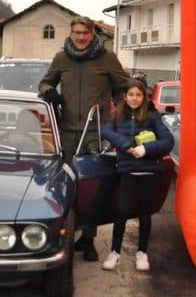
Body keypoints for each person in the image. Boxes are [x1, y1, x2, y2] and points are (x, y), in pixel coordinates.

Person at [38, 16, 130, 261]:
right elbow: (46, 81)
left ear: (92, 34)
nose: (80, 37)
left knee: (92, 185)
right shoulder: (61, 58)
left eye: (85, 33)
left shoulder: (107, 58)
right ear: (70, 33)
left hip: (95, 130)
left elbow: (123, 86)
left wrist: (123, 113)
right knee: (67, 184)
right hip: (66, 131)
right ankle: (66, 234)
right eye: (76, 32)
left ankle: (88, 239)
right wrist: (49, 92)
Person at [100, 79, 174, 272]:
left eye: (138, 95)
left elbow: (168, 140)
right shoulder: (117, 116)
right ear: (125, 96)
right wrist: (125, 144)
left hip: (148, 171)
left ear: (145, 97)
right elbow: (106, 131)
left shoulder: (152, 117)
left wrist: (145, 149)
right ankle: (115, 252)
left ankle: (142, 252)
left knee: (144, 213)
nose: (134, 98)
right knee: (121, 211)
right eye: (131, 95)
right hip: (127, 171)